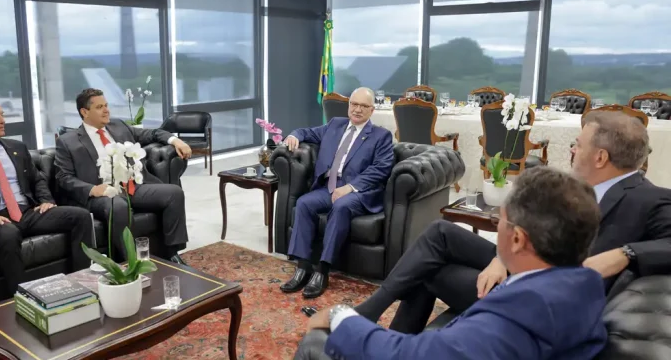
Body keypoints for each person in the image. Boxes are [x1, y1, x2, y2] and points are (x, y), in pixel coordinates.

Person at [352, 110, 671, 335]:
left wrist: (625, 253)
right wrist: (500, 257)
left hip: (544, 304)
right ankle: (372, 313)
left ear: (600, 158)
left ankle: (375, 327)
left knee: (426, 270)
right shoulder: (581, 189)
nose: (572, 150)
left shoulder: (650, 198)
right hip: (530, 270)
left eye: (578, 144)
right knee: (441, 233)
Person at [294, 167, 607, 360]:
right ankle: (384, 322)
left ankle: (366, 318)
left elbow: (411, 357)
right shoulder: (585, 283)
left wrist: (340, 316)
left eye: (500, 220)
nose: (497, 226)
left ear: (517, 239)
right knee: (428, 263)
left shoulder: (518, 316)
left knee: (313, 343)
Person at [0, 97, 90, 294]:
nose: (2, 120)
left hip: (28, 211)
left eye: (2, 115)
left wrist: (46, 200)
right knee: (9, 234)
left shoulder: (16, 148)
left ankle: (82, 281)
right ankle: (20, 298)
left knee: (80, 216)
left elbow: (37, 180)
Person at [54, 88, 192, 265]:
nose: (106, 110)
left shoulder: (118, 126)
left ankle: (171, 253)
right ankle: (131, 262)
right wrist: (92, 189)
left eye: (106, 105)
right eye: (99, 107)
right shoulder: (68, 141)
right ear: (84, 112)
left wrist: (175, 140)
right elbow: (64, 177)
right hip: (102, 193)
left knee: (174, 193)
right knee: (117, 205)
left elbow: (153, 133)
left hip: (134, 187)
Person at [280, 87, 394, 298]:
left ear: (372, 110)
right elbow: (307, 132)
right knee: (304, 203)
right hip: (328, 188)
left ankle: (322, 270)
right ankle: (303, 267)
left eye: (363, 106)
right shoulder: (335, 125)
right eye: (354, 104)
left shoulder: (381, 136)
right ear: (348, 105)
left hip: (358, 192)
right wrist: (293, 135)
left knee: (341, 206)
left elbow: (380, 169)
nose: (357, 109)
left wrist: (349, 188)